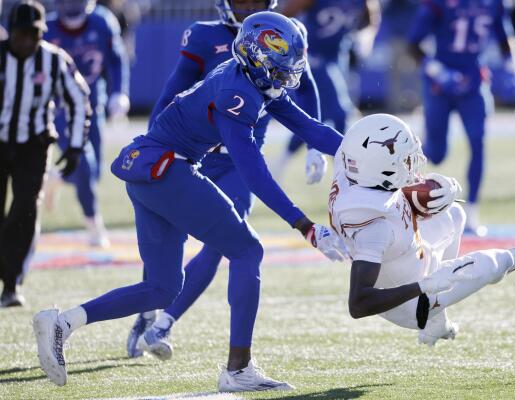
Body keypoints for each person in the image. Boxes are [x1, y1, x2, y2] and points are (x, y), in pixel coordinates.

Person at [33, 11, 347, 391]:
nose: (288, 76)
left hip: (150, 168)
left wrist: (361, 149)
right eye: (281, 66)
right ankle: (238, 369)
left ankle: (62, 323)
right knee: (247, 251)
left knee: (163, 288)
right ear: (258, 57)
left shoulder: (246, 76)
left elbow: (310, 127)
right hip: (168, 169)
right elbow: (252, 171)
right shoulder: (237, 92)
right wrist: (305, 225)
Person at [126, 0, 326, 365]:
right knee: (167, 238)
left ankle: (165, 322)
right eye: (241, 0)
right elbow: (174, 89)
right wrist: (154, 147)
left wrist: (318, 145)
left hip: (240, 159)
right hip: (195, 154)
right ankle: (150, 310)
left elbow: (306, 89)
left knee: (229, 243)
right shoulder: (206, 37)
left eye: (255, 1)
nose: (247, 6)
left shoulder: (285, 35)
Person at [328, 114, 515, 344]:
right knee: (494, 264)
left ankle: (438, 317)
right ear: (382, 169)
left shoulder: (352, 172)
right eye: (405, 160)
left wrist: (437, 194)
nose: (412, 164)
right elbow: (359, 304)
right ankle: (435, 304)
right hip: (409, 303)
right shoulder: (374, 229)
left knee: (453, 213)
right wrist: (423, 285)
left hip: (412, 256)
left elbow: (387, 193)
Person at [0, 0, 90, 308]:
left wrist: (76, 145)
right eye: (22, 34)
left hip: (34, 146)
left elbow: (79, 99)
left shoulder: (53, 60)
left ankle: (10, 284)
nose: (28, 41)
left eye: (34, 34)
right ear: (10, 32)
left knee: (25, 211)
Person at [407, 0, 515, 236]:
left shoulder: (494, 3)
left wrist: (512, 67)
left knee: (477, 142)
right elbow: (413, 45)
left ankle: (472, 211)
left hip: (473, 80)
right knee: (436, 155)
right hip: (440, 83)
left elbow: (504, 37)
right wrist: (439, 72)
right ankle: (409, 204)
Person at [44, 0, 130, 247]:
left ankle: (58, 176)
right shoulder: (48, 28)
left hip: (94, 103)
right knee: (83, 160)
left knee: (93, 173)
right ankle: (94, 224)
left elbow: (116, 59)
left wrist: (119, 92)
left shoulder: (102, 21)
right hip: (62, 107)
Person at [272, 0, 381, 178]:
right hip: (313, 58)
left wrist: (364, 39)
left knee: (315, 117)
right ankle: (347, 173)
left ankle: (281, 164)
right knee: (340, 113)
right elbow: (283, 16)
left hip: (339, 59)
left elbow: (371, 20)